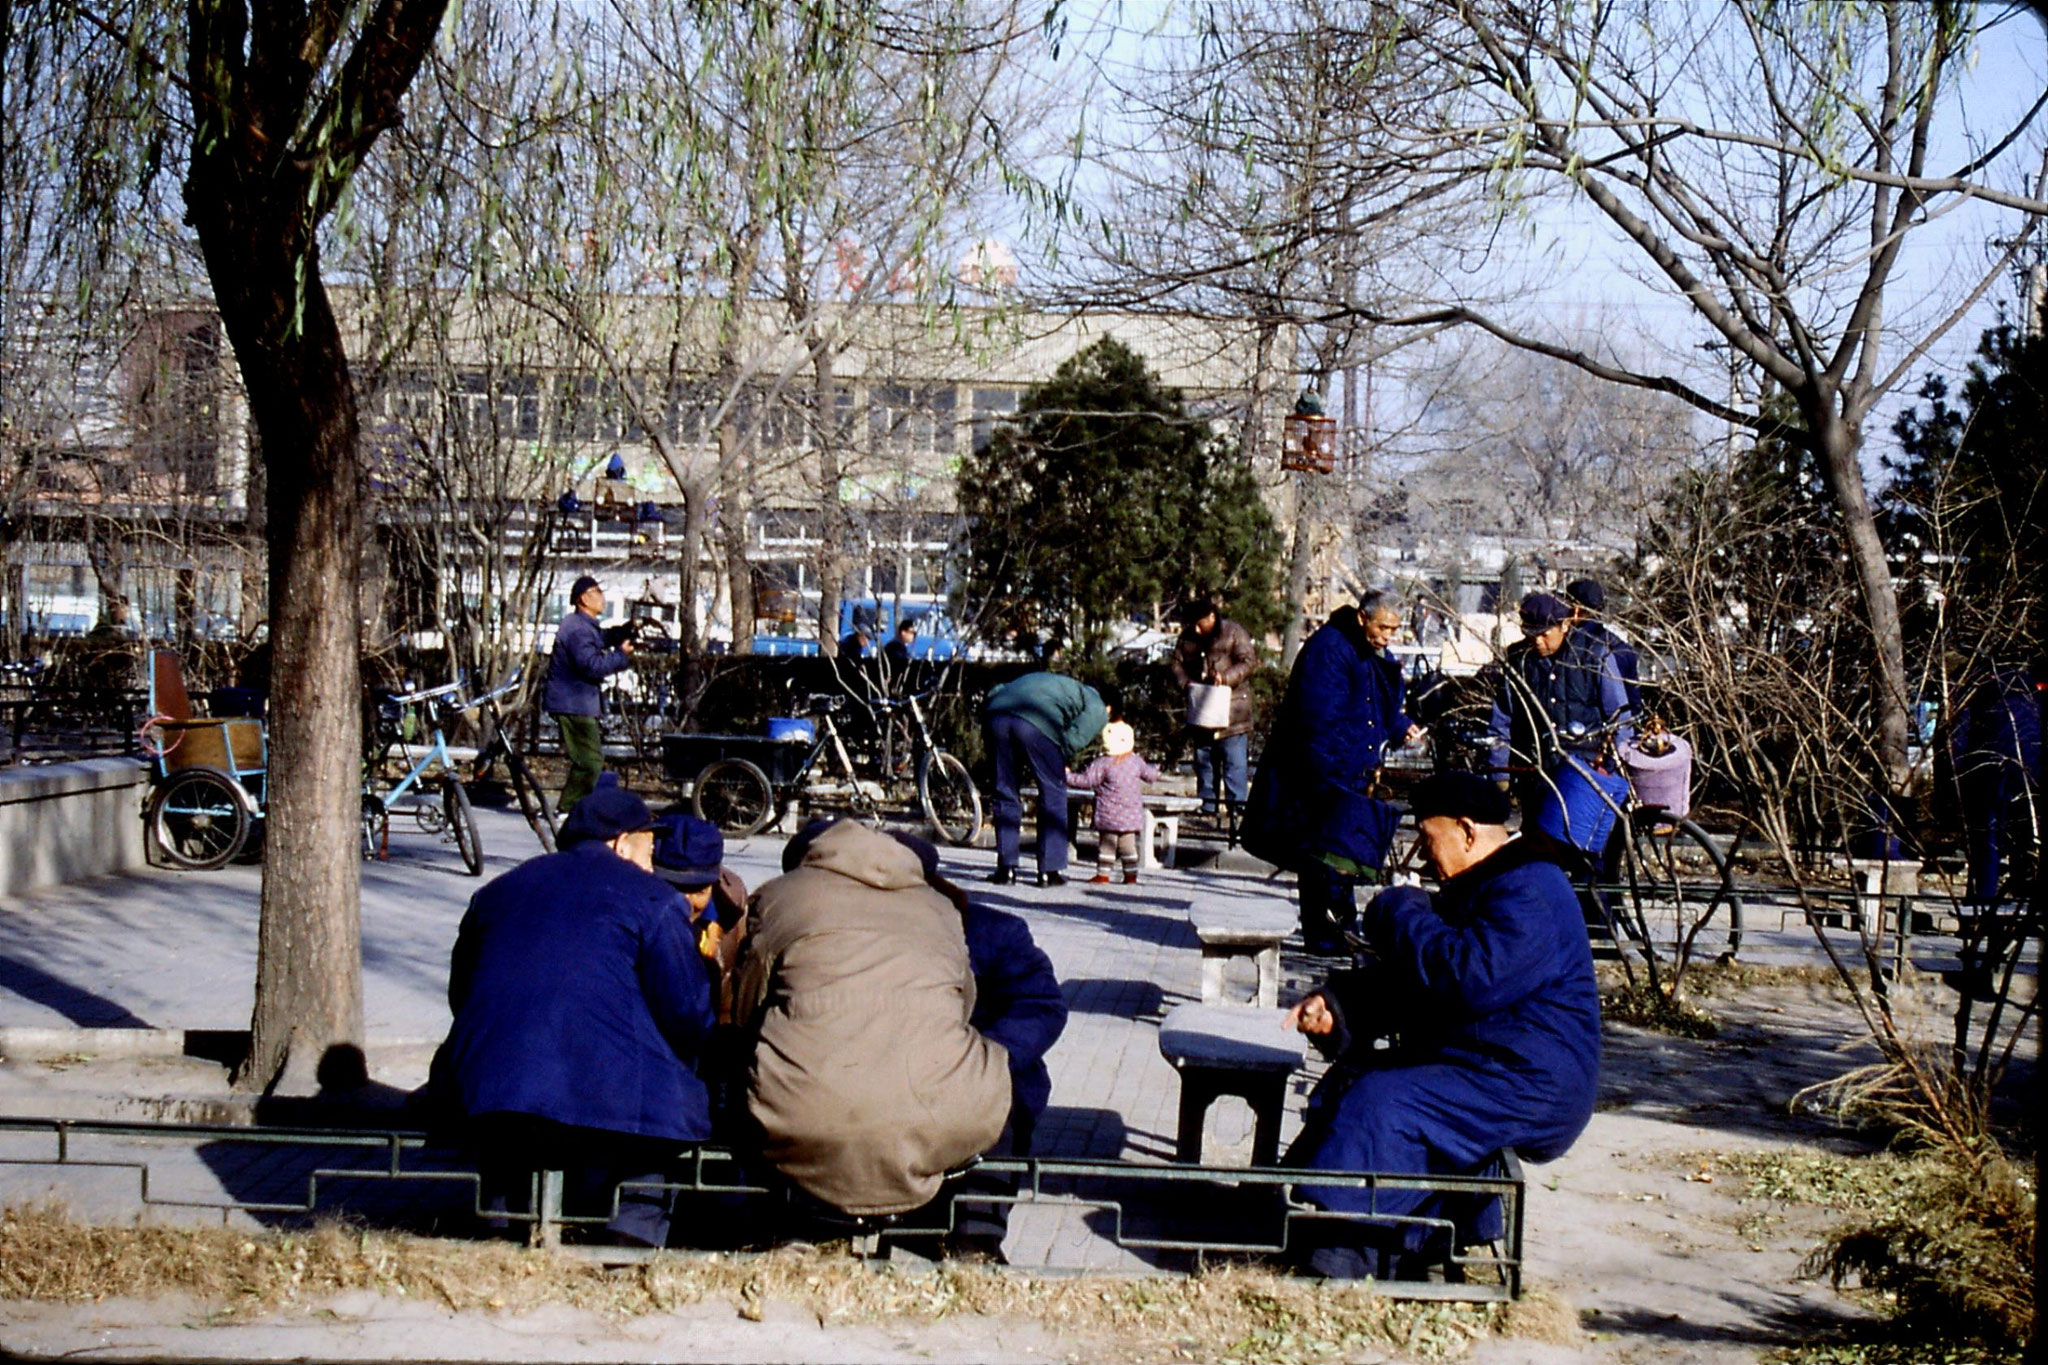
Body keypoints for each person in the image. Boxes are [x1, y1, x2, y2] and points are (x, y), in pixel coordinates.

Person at [1284, 772, 1600, 1281]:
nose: (1424, 855)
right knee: (1355, 1081)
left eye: (1429, 839)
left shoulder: (1531, 889)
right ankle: (1319, 1222)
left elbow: (1465, 979)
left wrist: (1398, 909)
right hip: (1490, 1062)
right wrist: (1339, 1004)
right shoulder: (1496, 882)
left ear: (1468, 831)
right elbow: (1425, 983)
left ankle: (1339, 1262)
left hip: (1532, 1082)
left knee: (1384, 1103)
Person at [428, 774, 716, 1248]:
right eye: (649, 849)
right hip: (604, 1091)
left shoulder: (497, 892)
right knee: (671, 1079)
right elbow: (688, 1014)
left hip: (485, 1088)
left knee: (515, 1080)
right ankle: (635, 1226)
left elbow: (464, 994)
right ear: (623, 844)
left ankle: (501, 1220)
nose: (652, 862)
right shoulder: (654, 901)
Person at [732, 819, 1011, 1220]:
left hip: (807, 1113)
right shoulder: (939, 906)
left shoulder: (780, 895)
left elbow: (748, 1007)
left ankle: (776, 1220)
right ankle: (974, 1231)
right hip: (938, 1111)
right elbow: (963, 1005)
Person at [883, 828, 1068, 1262]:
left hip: (971, 1065)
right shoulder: (849, 932)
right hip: (885, 1070)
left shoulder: (989, 931)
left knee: (996, 1099)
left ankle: (976, 1234)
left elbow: (1040, 1005)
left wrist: (981, 1056)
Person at [1241, 589, 1424, 955]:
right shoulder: (1330, 649)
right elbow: (1320, 719)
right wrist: (1335, 774)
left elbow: (1372, 702)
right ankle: (1327, 936)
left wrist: (1398, 724)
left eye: (1394, 629)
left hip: (1350, 772)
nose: (1388, 636)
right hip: (1327, 774)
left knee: (1341, 860)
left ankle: (1338, 930)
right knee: (1325, 862)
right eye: (1383, 627)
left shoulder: (1365, 650)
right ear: (1362, 618)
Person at [1487, 590, 1632, 823]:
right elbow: (1503, 718)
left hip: (1585, 773)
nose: (1537, 642)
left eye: (1544, 635)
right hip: (1535, 772)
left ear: (1564, 625)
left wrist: (1610, 765)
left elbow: (1620, 717)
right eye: (1530, 635)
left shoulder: (1594, 656)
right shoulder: (1518, 660)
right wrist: (1500, 770)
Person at [981, 667, 1108, 887]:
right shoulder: (1095, 701)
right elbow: (1076, 736)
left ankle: (1006, 869)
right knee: (1053, 793)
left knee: (1005, 791)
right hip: (1035, 723)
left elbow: (996, 692)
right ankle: (1049, 871)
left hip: (997, 716)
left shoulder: (1057, 683)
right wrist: (1059, 752)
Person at [1947, 659, 2043, 905]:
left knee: (1986, 837)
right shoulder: (2030, 688)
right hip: (2028, 771)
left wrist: (1958, 771)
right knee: (2025, 837)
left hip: (1989, 768)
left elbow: (1959, 733)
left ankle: (1983, 896)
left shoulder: (1978, 685)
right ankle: (2025, 898)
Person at [544, 575, 634, 815]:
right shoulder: (576, 628)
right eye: (598, 592)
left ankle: (571, 807)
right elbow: (591, 664)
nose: (603, 597)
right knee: (590, 761)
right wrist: (620, 655)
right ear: (584, 598)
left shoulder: (582, 626)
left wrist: (621, 633)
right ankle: (567, 809)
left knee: (589, 760)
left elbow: (599, 639)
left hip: (577, 702)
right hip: (573, 703)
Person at [1167, 600, 1260, 821]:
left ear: (1211, 617)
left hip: (1233, 710)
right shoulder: (1188, 637)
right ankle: (1207, 806)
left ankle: (1237, 809)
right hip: (1202, 708)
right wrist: (1185, 683)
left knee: (1233, 763)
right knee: (1204, 760)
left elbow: (1249, 662)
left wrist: (1226, 678)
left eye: (1200, 624)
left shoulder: (1234, 632)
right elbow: (1175, 664)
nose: (1197, 630)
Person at [1066, 719, 1164, 884]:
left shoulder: (1102, 764)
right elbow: (1150, 775)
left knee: (1106, 846)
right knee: (1129, 847)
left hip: (1108, 814)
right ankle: (1131, 875)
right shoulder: (1136, 761)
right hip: (1130, 815)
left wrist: (1068, 776)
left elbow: (1086, 781)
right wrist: (1157, 771)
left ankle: (1103, 874)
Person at [1563, 579, 1642, 714]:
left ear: (1576, 609)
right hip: (1627, 724)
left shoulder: (1577, 649)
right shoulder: (1621, 647)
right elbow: (1634, 700)